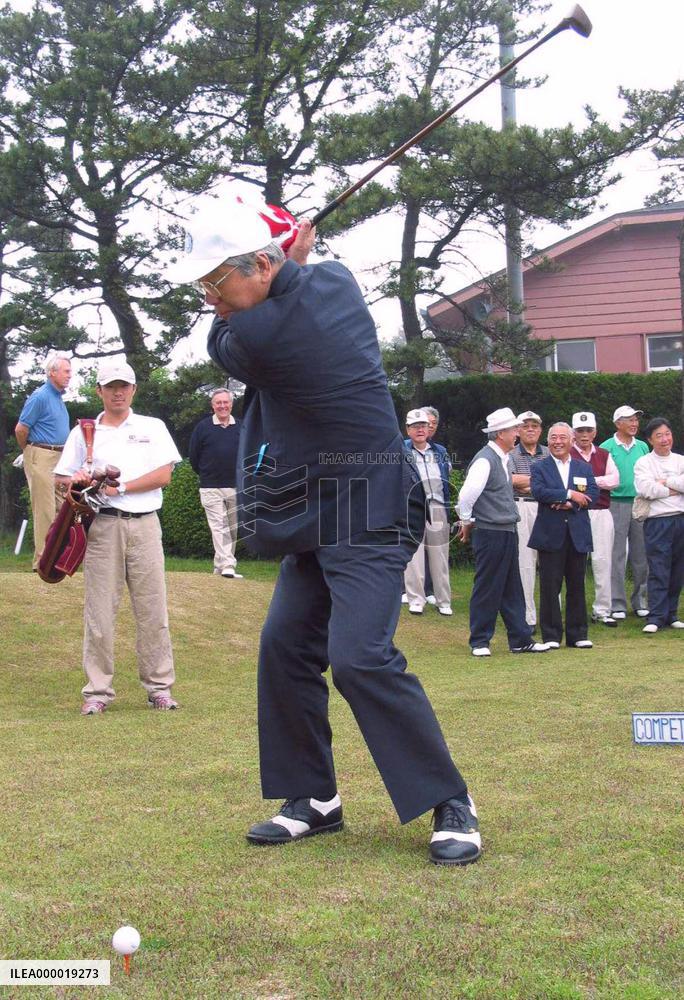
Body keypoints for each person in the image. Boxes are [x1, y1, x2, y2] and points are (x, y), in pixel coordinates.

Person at [165, 200, 481, 866]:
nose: (212, 302)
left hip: (370, 504)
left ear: (260, 263)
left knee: (360, 656)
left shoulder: (255, 336)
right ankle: (314, 798)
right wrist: (295, 263)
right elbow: (292, 287)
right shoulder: (333, 280)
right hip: (314, 507)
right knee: (284, 646)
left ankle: (451, 800)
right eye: (204, 290)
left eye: (216, 285)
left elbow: (223, 345)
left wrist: (288, 264)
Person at [54, 360, 181, 715]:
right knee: (99, 611)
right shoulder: (85, 432)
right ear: (99, 391)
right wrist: (78, 481)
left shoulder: (152, 427)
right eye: (111, 386)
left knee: (153, 608)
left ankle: (159, 688)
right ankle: (97, 691)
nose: (118, 392)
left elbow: (164, 475)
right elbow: (61, 478)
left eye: (124, 385)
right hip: (103, 527)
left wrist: (121, 486)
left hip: (145, 524)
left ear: (134, 389)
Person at [456, 407, 550, 657]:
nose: (517, 434)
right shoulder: (486, 459)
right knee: (488, 586)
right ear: (500, 434)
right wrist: (466, 521)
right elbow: (465, 496)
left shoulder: (502, 458)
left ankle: (520, 639)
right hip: (491, 532)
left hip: (506, 530)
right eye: (513, 429)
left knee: (512, 587)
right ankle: (479, 641)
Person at [529, 422, 599, 649]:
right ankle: (550, 635)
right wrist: (569, 494)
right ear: (548, 441)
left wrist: (571, 505)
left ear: (572, 441)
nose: (557, 442)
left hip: (577, 533)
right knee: (550, 586)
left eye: (562, 437)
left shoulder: (583, 468)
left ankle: (577, 634)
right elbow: (539, 492)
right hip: (550, 534)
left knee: (577, 585)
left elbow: (592, 494)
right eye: (553, 438)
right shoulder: (540, 467)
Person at [15, 352, 72, 569]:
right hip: (41, 455)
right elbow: (21, 429)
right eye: (66, 371)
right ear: (52, 372)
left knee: (62, 508)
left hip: (58, 457)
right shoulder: (40, 396)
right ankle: (42, 562)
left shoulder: (57, 398)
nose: (69, 376)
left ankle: (55, 557)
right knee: (45, 510)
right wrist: (29, 452)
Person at [633, 417, 684, 634]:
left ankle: (671, 613)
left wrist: (664, 482)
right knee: (658, 568)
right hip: (657, 521)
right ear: (650, 440)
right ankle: (656, 616)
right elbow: (646, 489)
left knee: (677, 569)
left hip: (680, 518)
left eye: (667, 434)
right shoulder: (644, 462)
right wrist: (674, 488)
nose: (665, 439)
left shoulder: (680, 460)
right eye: (659, 436)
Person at [599, 406, 649, 620]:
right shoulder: (606, 447)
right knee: (616, 554)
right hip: (615, 504)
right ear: (618, 423)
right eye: (629, 420)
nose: (634, 423)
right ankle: (617, 603)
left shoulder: (643, 446)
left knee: (642, 555)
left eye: (636, 419)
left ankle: (641, 601)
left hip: (640, 503)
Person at [571, 412, 620, 627]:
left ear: (595, 432)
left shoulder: (604, 454)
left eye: (588, 430)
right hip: (575, 512)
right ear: (573, 433)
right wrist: (597, 482)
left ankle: (602, 609)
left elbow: (615, 480)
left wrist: (589, 482)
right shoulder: (568, 454)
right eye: (580, 431)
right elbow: (566, 483)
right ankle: (576, 610)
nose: (584, 435)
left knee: (602, 561)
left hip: (601, 512)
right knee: (575, 563)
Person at [189, 387, 243, 578]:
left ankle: (219, 566)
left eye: (225, 402)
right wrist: (206, 473)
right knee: (219, 526)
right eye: (218, 403)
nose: (222, 406)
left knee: (233, 529)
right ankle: (228, 564)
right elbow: (194, 457)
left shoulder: (242, 427)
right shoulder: (202, 428)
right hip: (210, 486)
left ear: (231, 404)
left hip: (236, 487)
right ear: (212, 406)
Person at [403, 408, 452, 616]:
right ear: (407, 430)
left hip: (438, 506)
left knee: (440, 555)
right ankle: (416, 599)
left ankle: (443, 600)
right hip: (412, 508)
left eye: (423, 426)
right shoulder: (401, 451)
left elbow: (446, 478)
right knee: (413, 556)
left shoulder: (439, 451)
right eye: (415, 426)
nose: (420, 430)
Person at [508, 410, 548, 629]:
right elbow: (510, 479)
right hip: (522, 508)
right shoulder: (511, 454)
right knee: (525, 563)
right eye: (525, 426)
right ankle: (528, 617)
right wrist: (540, 481)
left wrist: (528, 483)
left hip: (546, 508)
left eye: (534, 425)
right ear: (517, 430)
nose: (530, 429)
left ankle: (550, 614)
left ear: (540, 430)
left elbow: (558, 480)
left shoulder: (550, 453)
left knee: (549, 562)